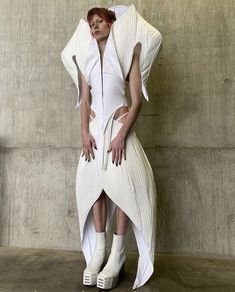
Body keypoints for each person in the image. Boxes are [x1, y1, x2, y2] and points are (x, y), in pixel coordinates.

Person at [61, 4, 162, 290]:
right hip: (94, 133)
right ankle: (99, 253)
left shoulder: (127, 55)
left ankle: (118, 255)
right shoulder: (85, 57)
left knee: (124, 190)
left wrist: (122, 136)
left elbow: (137, 101)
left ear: (111, 24)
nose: (94, 26)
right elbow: (85, 100)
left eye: (99, 21)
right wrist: (84, 132)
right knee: (95, 190)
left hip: (120, 130)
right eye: (91, 22)